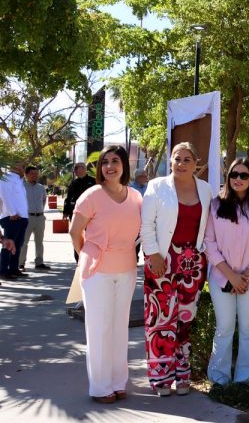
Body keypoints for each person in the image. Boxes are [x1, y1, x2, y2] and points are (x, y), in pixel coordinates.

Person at [68, 145, 142, 403]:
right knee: (100, 328)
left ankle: (118, 382)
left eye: (115, 161)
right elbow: (75, 232)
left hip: (127, 269)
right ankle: (100, 388)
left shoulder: (136, 197)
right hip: (97, 271)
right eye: (105, 162)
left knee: (120, 327)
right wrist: (87, 255)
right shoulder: (91, 195)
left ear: (124, 166)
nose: (110, 166)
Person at [141, 142, 212, 397]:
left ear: (196, 163)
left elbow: (208, 226)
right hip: (161, 261)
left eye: (186, 159)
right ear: (170, 160)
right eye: (176, 158)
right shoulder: (156, 186)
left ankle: (183, 375)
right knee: (160, 322)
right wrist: (153, 254)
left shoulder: (205, 189)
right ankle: (161, 378)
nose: (180, 163)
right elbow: (146, 225)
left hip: (192, 266)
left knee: (184, 322)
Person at [204, 159, 249, 387]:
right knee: (224, 327)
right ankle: (219, 378)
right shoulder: (215, 206)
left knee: (248, 329)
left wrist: (246, 275)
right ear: (228, 177)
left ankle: (245, 381)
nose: (238, 179)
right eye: (234, 174)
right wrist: (231, 276)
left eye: (244, 175)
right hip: (221, 278)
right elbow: (209, 243)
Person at [0, 161, 29, 280]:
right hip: (11, 217)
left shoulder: (19, 180)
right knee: (8, 245)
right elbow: (4, 195)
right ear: (13, 165)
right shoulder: (7, 178)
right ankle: (3, 271)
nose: (23, 167)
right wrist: (12, 213)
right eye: (21, 164)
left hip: (21, 218)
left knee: (17, 245)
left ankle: (13, 269)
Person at [63, 162, 96, 262]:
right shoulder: (73, 183)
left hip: (90, 214)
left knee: (90, 237)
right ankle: (79, 258)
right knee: (76, 236)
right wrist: (65, 212)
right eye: (75, 168)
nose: (75, 170)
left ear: (84, 169)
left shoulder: (93, 182)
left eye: (77, 168)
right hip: (76, 214)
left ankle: (90, 258)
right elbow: (68, 198)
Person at [20, 165, 49, 270]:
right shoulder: (21, 187)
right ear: (26, 174)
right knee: (24, 242)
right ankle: (21, 263)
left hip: (40, 218)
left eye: (36, 174)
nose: (35, 176)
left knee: (39, 242)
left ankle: (39, 263)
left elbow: (44, 200)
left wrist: (41, 213)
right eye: (32, 174)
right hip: (27, 218)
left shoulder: (41, 187)